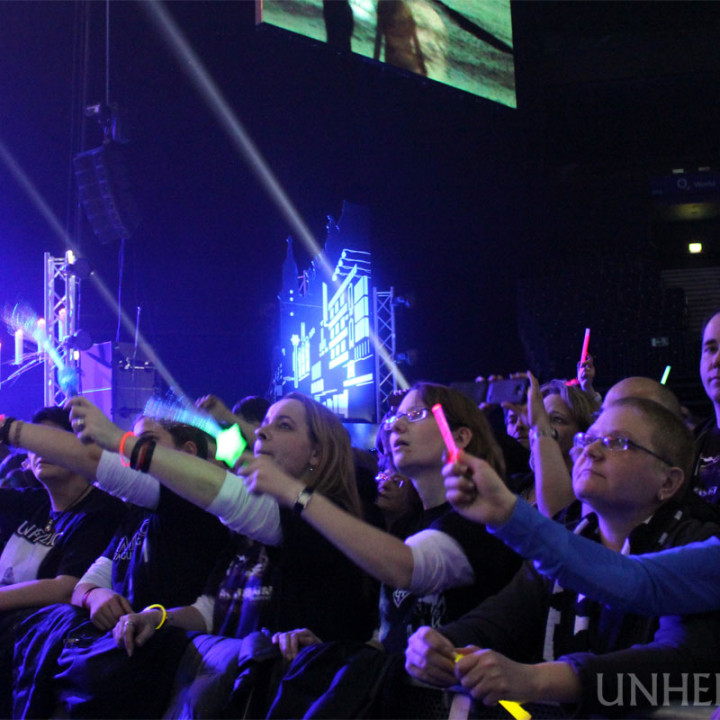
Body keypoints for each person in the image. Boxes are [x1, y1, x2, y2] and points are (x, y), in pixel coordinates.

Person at [64, 393, 377, 716]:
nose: (263, 433)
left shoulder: (333, 518)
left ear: (317, 452)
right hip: (236, 687)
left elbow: (235, 501)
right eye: (264, 424)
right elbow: (213, 608)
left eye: (283, 426)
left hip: (299, 696)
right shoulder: (243, 531)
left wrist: (121, 441)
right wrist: (157, 617)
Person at [407, 397, 720, 716]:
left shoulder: (697, 540)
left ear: (667, 482)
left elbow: (677, 668)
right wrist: (439, 645)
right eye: (589, 438)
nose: (591, 451)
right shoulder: (570, 538)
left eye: (616, 442)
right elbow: (500, 620)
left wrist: (537, 680)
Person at [10, 416, 232, 719]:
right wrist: (95, 597)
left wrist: (154, 618)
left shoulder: (200, 513)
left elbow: (209, 611)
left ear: (188, 453)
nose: (133, 454)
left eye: (147, 442)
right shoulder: (137, 515)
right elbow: (86, 584)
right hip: (118, 645)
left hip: (159, 656)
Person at [0, 408, 126, 718]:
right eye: (35, 443)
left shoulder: (101, 512)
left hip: (34, 639)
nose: (41, 450)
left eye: (52, 440)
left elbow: (65, 588)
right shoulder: (33, 501)